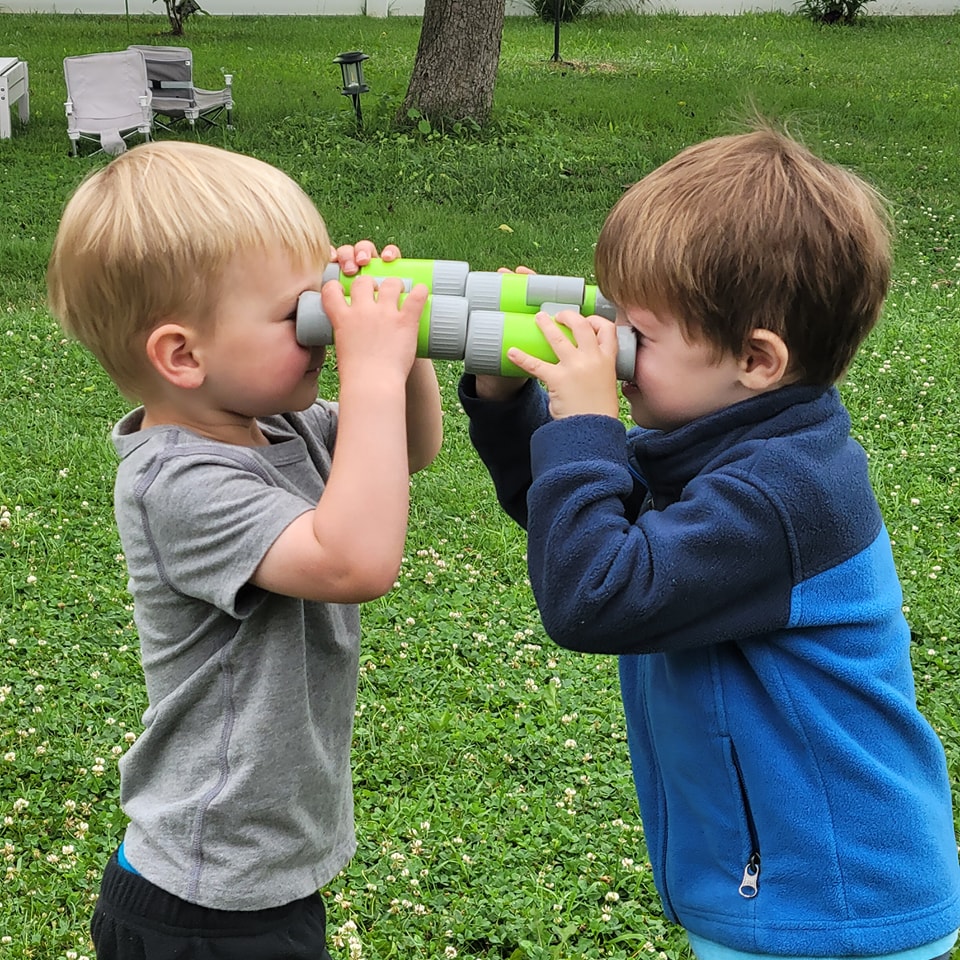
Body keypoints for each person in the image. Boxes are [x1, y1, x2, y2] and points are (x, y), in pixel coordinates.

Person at [459, 127, 960, 960]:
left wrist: (586, 425)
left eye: (638, 334)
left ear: (757, 360)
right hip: (785, 896)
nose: (612, 344)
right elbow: (577, 531)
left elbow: (596, 591)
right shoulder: (726, 448)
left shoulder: (783, 493)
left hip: (833, 907)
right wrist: (509, 403)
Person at [46, 140, 442, 960]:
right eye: (297, 313)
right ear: (183, 355)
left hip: (267, 876)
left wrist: (403, 342)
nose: (325, 327)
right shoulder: (175, 482)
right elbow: (354, 562)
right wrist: (370, 367)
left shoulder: (281, 425)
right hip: (200, 899)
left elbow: (406, 448)